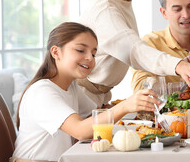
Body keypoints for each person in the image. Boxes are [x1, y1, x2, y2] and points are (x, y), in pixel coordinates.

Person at [11, 22, 161, 161]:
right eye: (80, 50)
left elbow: (96, 114)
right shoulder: (42, 91)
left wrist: (134, 106)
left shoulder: (71, 86)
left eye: (94, 53)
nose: (90, 58)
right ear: (56, 52)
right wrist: (125, 106)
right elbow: (80, 130)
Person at [131, 0, 190, 92]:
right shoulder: (149, 43)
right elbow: (140, 88)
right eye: (177, 9)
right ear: (164, 13)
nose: (186, 15)